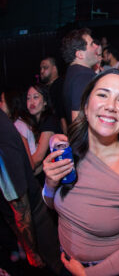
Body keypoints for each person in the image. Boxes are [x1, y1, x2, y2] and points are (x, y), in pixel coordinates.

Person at [42, 69, 119, 276]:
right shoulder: (71, 151)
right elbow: (53, 205)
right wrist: (50, 184)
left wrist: (89, 275)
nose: (111, 106)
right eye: (103, 94)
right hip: (68, 266)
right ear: (85, 106)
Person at [0, 108, 61, 274]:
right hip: (28, 216)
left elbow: (21, 204)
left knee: (56, 265)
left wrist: (30, 250)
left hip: (33, 220)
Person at [61, 28, 98, 125]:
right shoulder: (83, 75)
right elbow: (77, 118)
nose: (96, 46)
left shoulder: (73, 72)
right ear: (80, 54)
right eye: (91, 44)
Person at [26, 84, 61, 177]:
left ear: (45, 101)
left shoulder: (49, 121)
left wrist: (20, 171)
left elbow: (38, 158)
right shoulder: (36, 123)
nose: (31, 102)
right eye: (28, 98)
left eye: (35, 97)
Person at [40, 57, 67, 134]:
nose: (42, 71)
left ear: (54, 69)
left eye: (45, 68)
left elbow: (61, 114)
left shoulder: (58, 85)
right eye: (41, 68)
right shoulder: (47, 87)